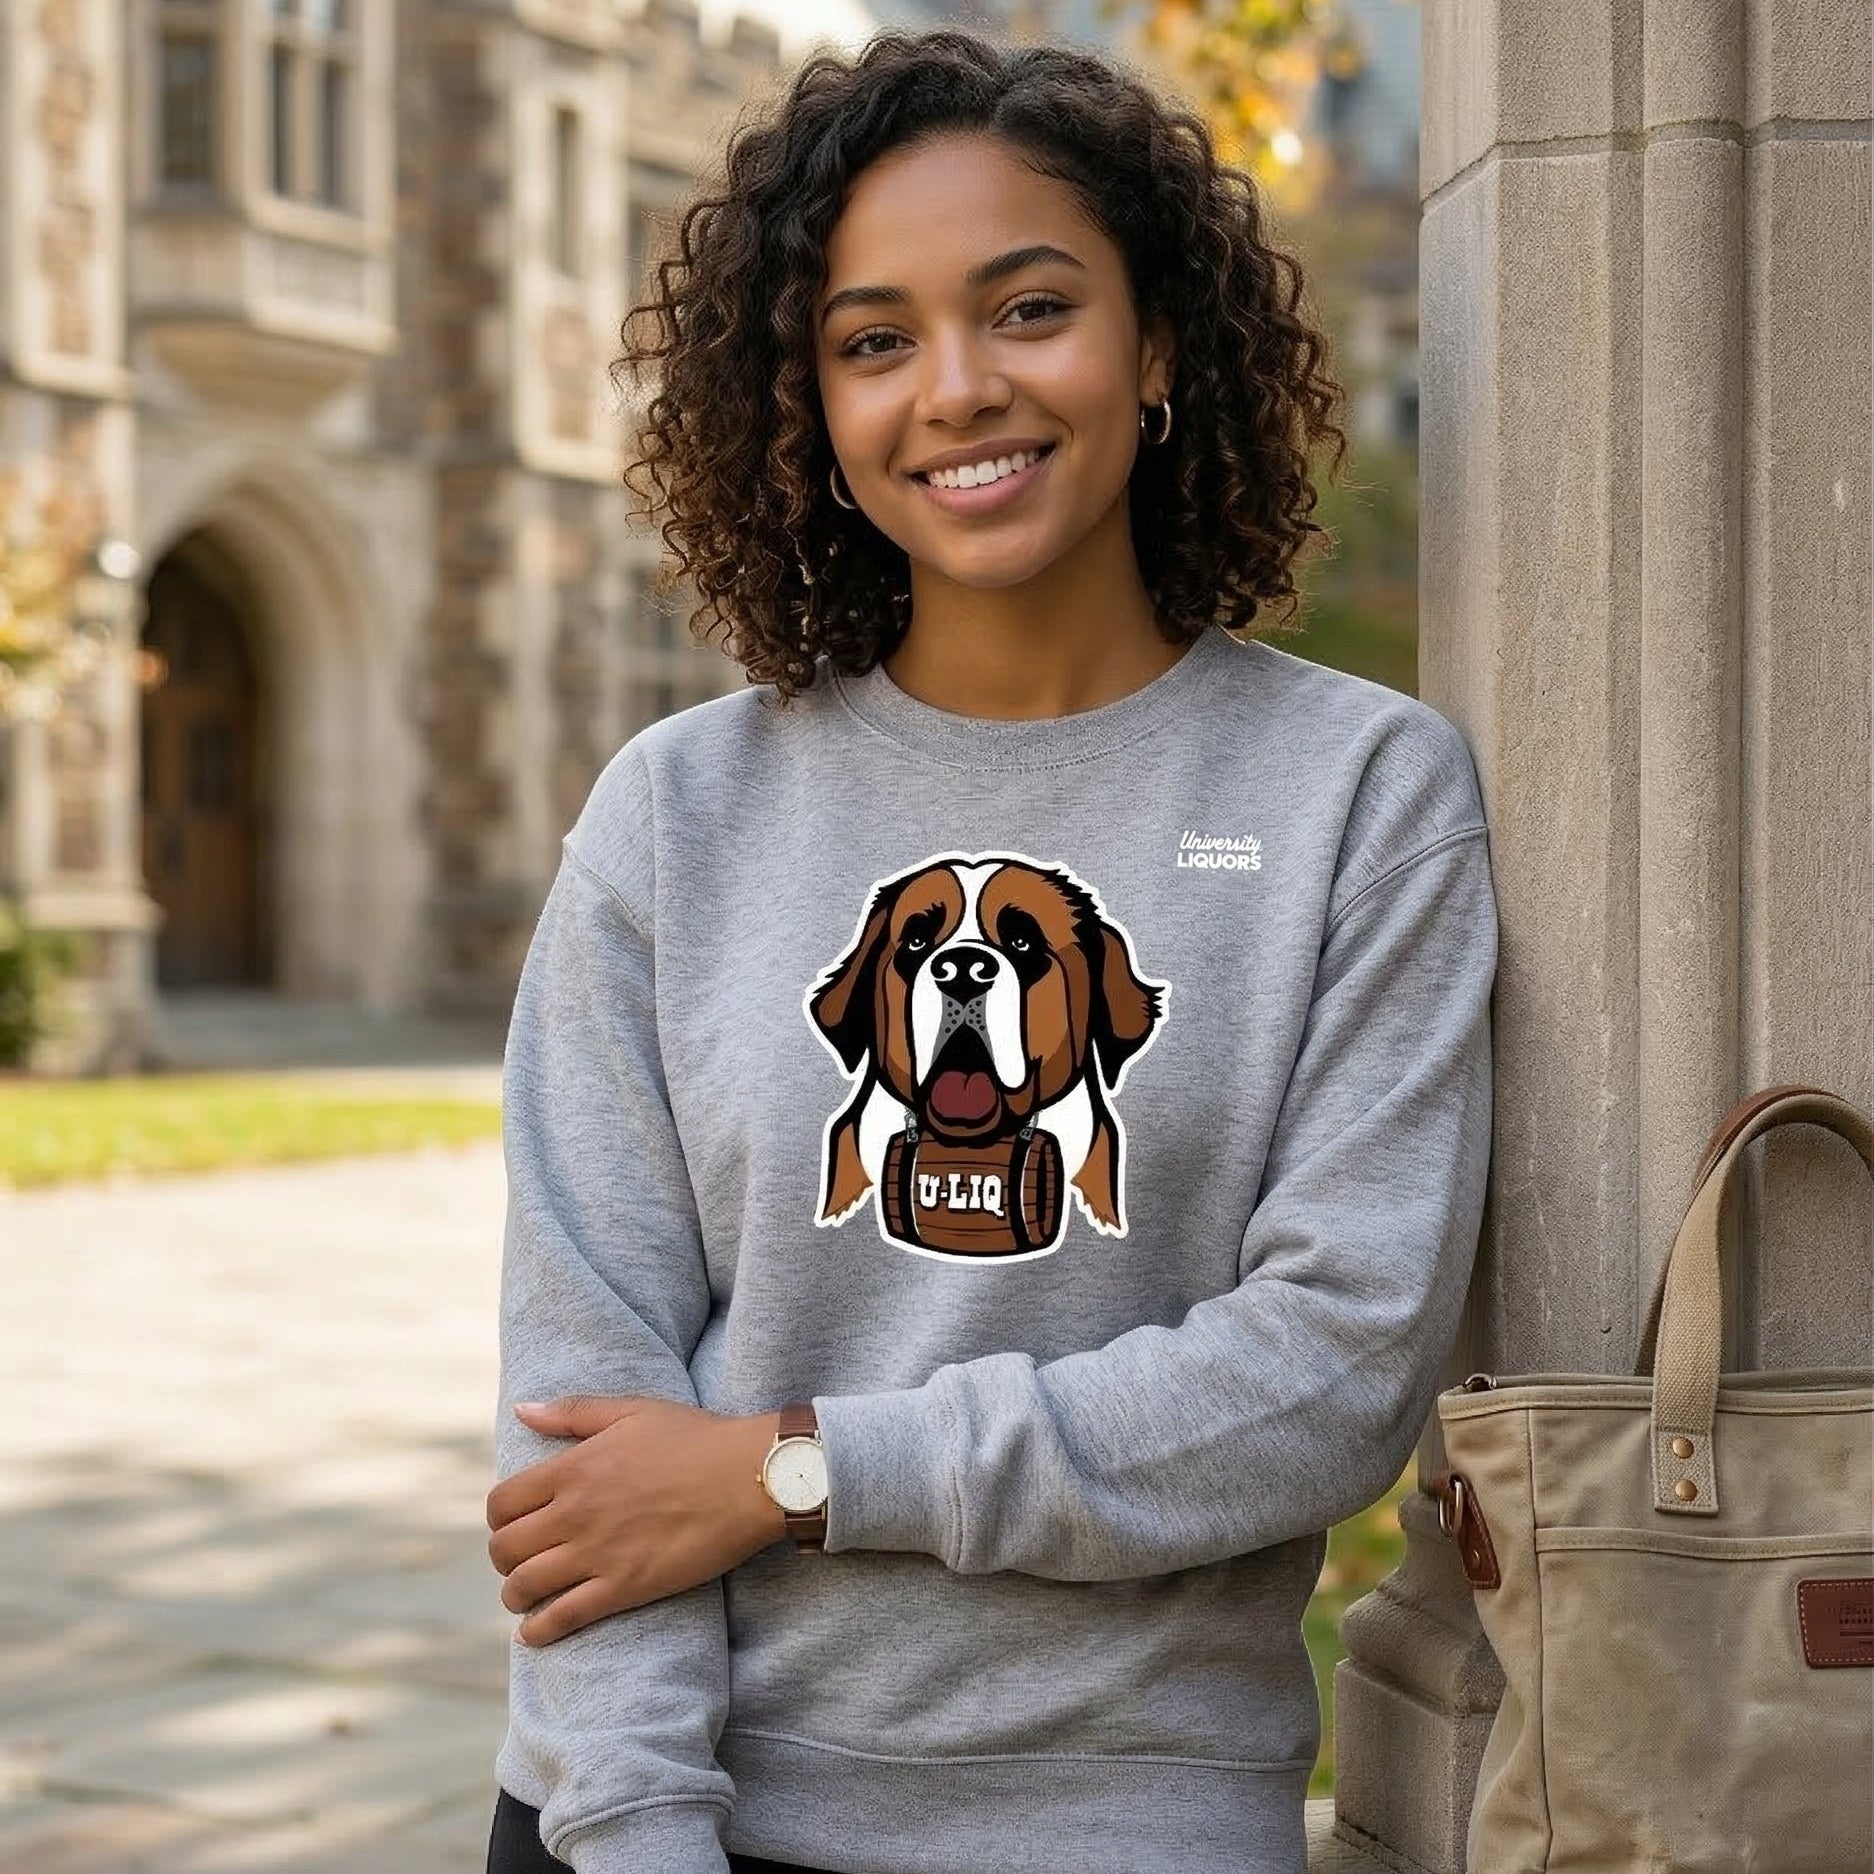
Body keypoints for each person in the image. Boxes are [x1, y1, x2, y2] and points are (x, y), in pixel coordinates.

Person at [481, 28, 1497, 1874]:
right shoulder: (676, 812)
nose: (953, 388)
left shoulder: (1360, 792)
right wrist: (632, 1834)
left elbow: (1333, 1367)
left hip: (1124, 1820)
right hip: (659, 1816)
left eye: (1027, 309)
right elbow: (583, 1425)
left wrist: (791, 1471)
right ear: (807, 401)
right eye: (873, 340)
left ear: (1160, 342)